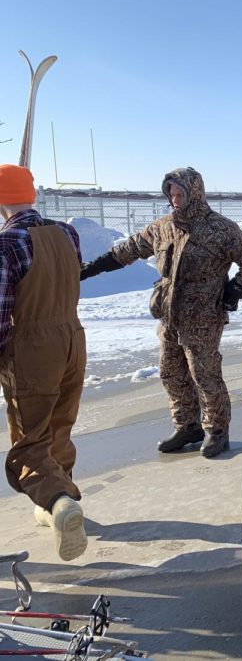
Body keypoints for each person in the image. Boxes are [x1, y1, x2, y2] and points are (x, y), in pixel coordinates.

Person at [80, 167, 242, 458]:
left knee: (204, 374)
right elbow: (127, 250)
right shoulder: (163, 227)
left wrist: (234, 291)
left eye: (180, 194)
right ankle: (187, 426)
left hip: (202, 318)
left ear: (195, 194)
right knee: (170, 372)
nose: (175, 200)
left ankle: (216, 430)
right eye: (171, 194)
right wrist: (88, 269)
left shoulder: (221, 229)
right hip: (169, 316)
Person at [0, 164, 88, 561]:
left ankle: (58, 501)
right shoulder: (66, 232)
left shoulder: (7, 242)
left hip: (32, 348)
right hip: (72, 336)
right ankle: (59, 499)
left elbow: (1, 312)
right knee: (60, 426)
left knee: (30, 440)